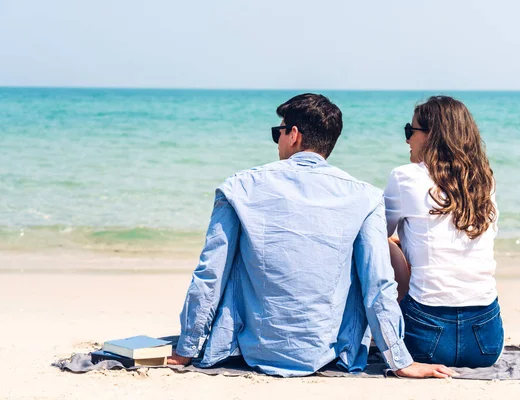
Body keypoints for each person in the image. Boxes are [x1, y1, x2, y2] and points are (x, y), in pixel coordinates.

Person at [167, 93, 456, 378]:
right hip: (329, 352)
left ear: (293, 134)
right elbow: (378, 284)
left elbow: (210, 273)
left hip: (251, 348)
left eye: (277, 132)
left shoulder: (239, 187)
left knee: (233, 257)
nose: (277, 141)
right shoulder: (364, 196)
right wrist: (400, 360)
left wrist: (186, 348)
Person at [384, 95, 504, 368]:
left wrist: (396, 242)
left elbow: (374, 237)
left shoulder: (405, 176)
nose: (407, 140)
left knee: (385, 245)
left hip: (426, 340)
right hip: (486, 341)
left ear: (431, 136)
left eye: (410, 131)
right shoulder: (484, 178)